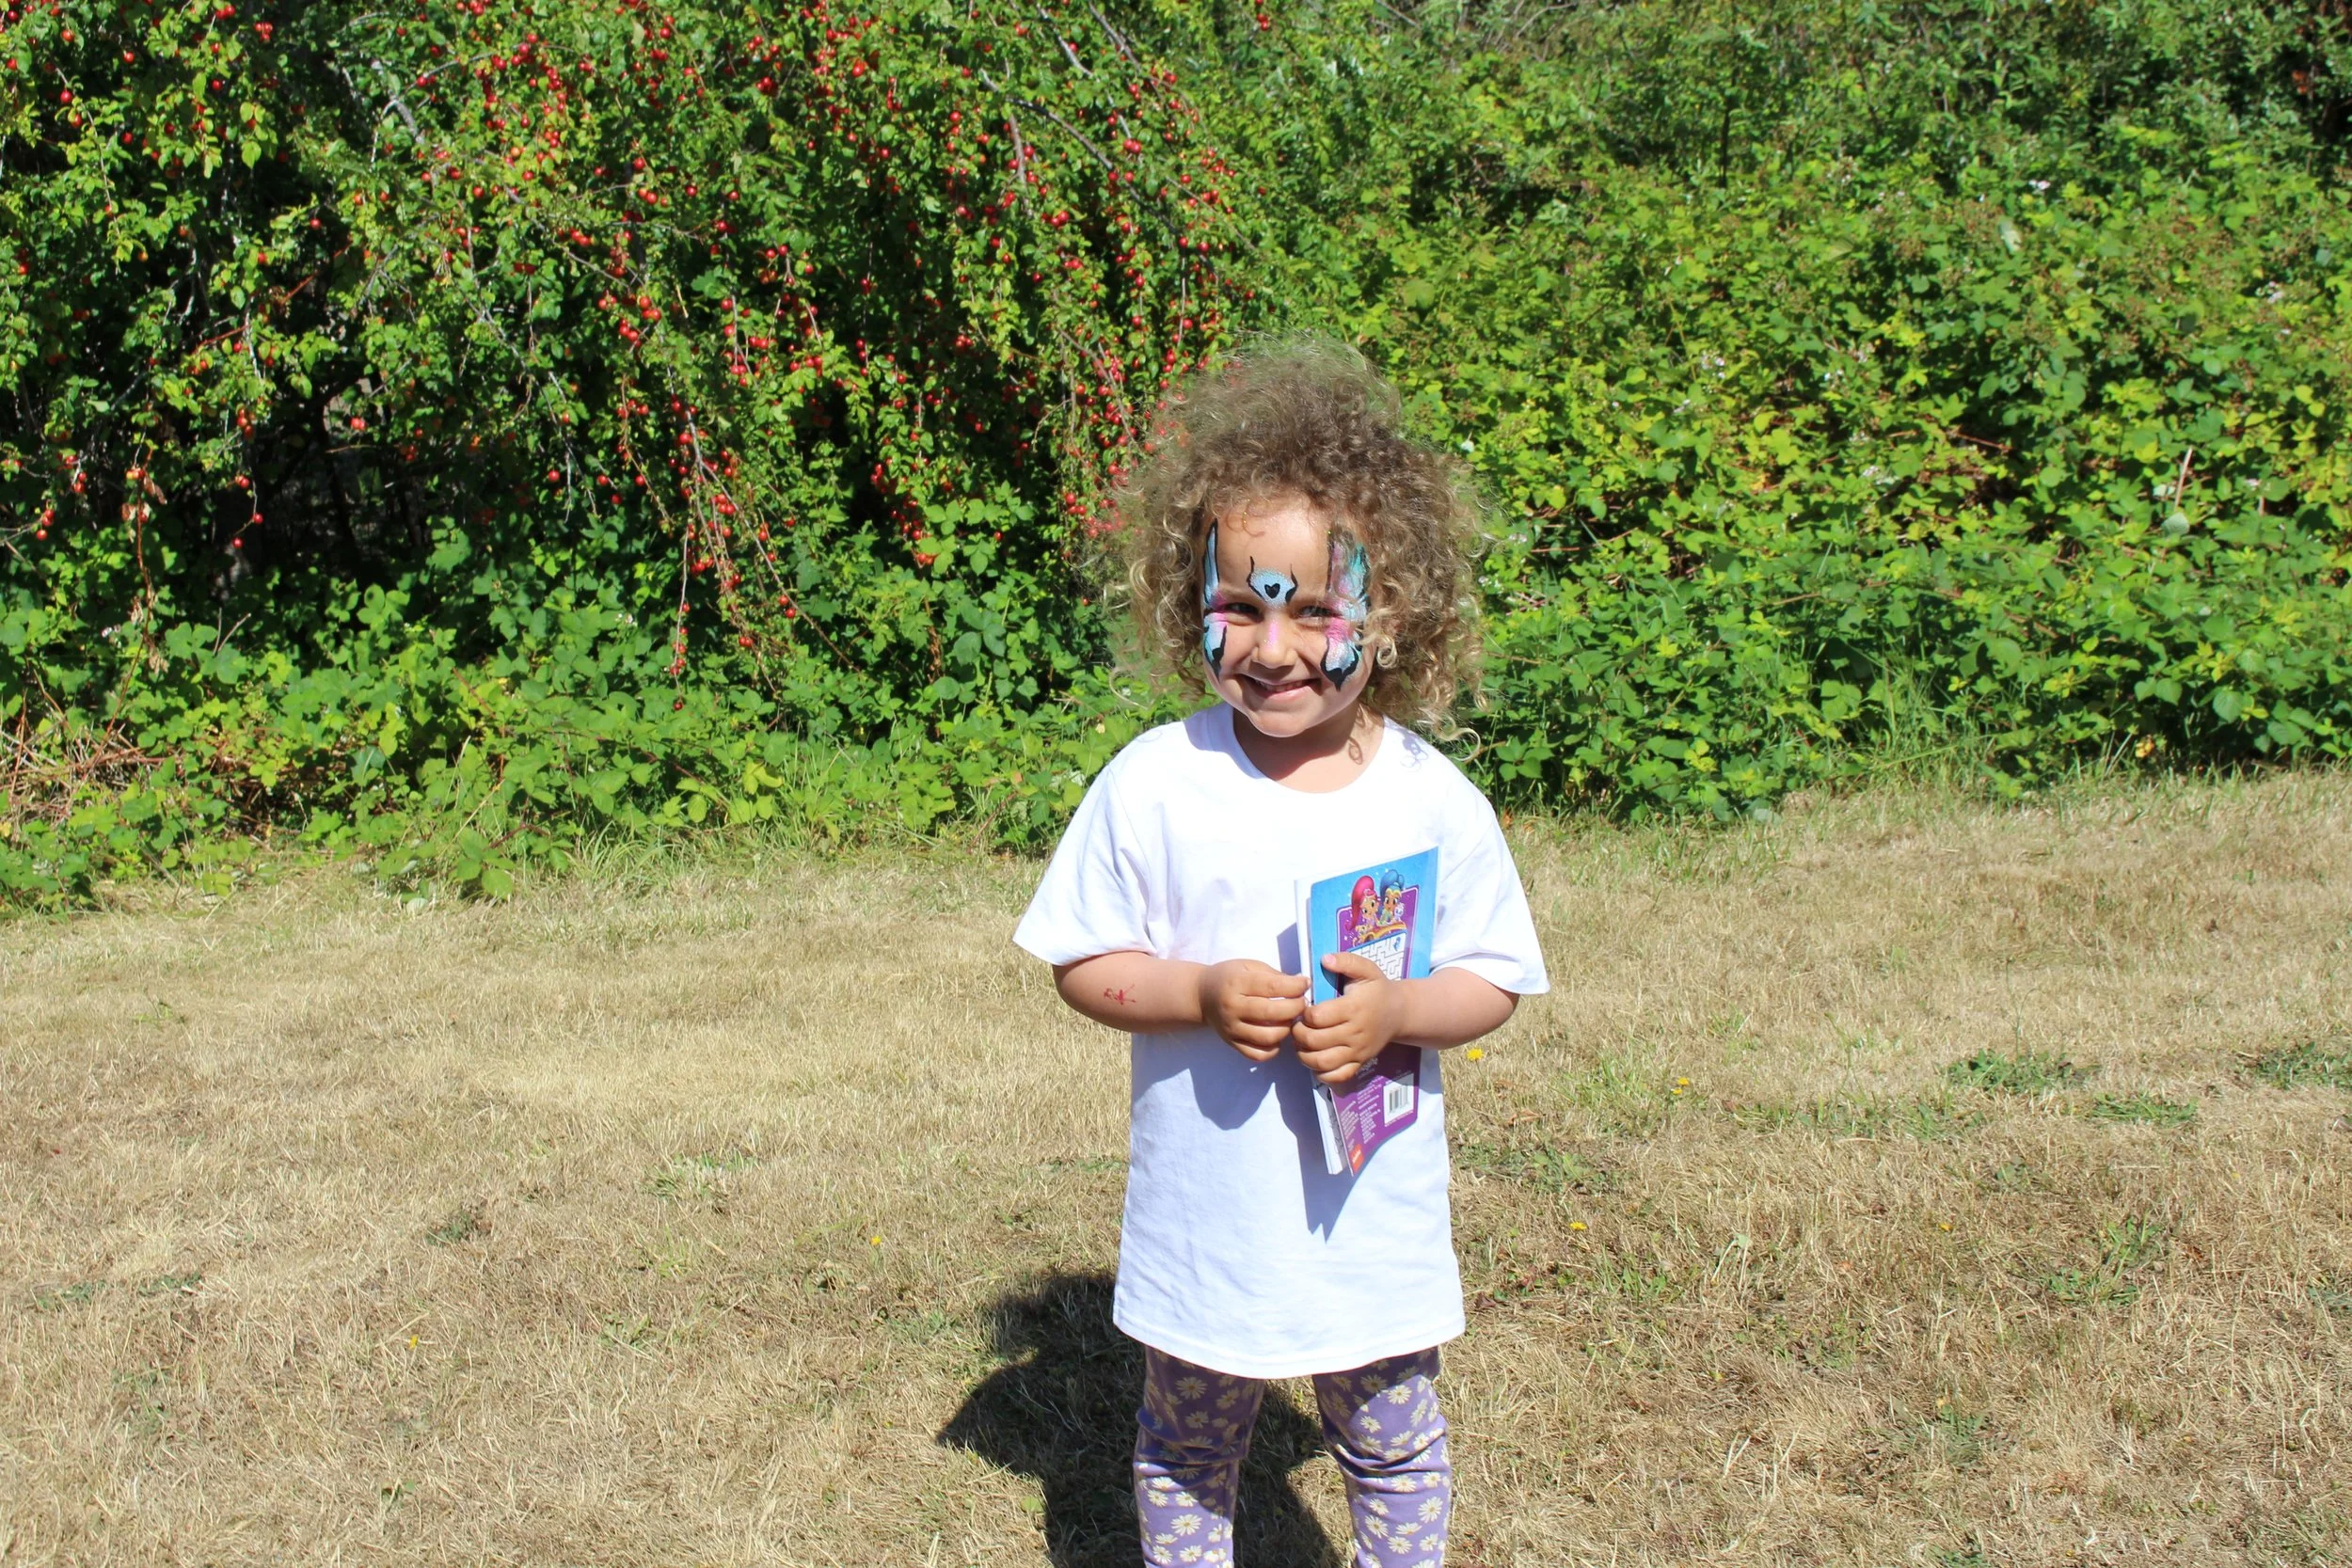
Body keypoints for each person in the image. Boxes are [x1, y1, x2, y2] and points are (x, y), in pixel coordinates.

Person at [1013, 341, 1549, 1567]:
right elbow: (1082, 959)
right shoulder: (1159, 784)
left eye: (1317, 607)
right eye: (1241, 602)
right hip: (1212, 1226)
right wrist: (1194, 991)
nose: (1274, 643)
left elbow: (1495, 978)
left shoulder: (1430, 801)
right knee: (1187, 1447)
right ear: (1186, 596)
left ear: (1393, 610)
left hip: (1371, 1224)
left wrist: (1399, 1008)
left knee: (1395, 1437)